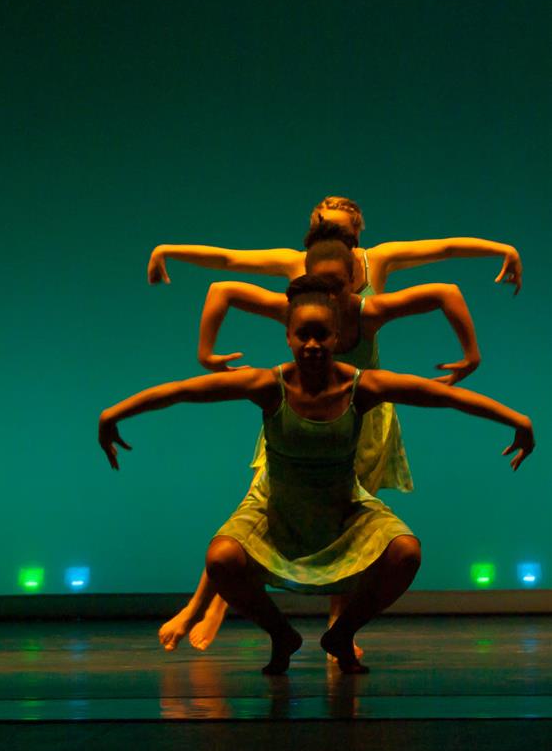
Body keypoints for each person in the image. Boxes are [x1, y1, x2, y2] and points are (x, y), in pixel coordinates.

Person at [98, 282, 534, 675]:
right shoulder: (268, 386)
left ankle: (341, 634)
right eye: (301, 335)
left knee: (405, 553)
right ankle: (281, 635)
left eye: (321, 335)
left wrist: (517, 420)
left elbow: (439, 395)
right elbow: (182, 391)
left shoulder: (360, 388)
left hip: (343, 511)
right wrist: (112, 414)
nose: (311, 344)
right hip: (276, 512)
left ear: (339, 338)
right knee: (221, 561)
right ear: (287, 337)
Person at [159, 230, 482, 652]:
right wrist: (171, 258)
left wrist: (500, 256)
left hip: (358, 422)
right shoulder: (300, 299)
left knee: (344, 522)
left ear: (354, 271)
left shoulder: (373, 283)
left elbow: (445, 261)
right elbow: (227, 269)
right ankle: (212, 604)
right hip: (297, 412)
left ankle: (338, 625)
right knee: (259, 505)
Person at [147, 195, 523, 296]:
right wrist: (166, 251)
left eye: (339, 233)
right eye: (322, 230)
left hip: (365, 393)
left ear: (356, 235)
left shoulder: (378, 260)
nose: (330, 240)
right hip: (308, 391)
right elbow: (228, 260)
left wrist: (505, 250)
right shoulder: (295, 263)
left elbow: (446, 249)